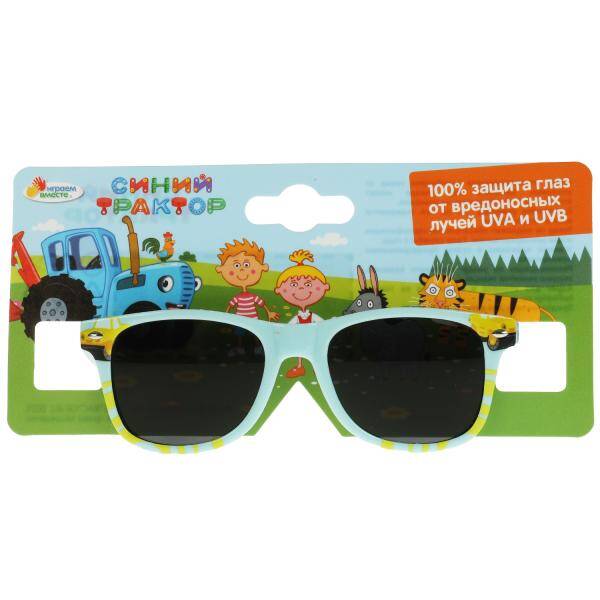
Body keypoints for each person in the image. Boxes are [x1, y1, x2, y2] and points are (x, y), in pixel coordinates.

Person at [275, 249, 330, 378]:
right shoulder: (298, 317)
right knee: (299, 351)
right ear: (279, 290)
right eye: (293, 284)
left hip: (311, 337)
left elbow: (321, 322)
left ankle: (317, 368)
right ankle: (300, 366)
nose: (301, 288)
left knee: (315, 350)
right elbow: (290, 325)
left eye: (308, 284)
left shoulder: (311, 316)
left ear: (324, 287)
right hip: (300, 337)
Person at [216, 239, 280, 321]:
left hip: (252, 320)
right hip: (239, 320)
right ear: (221, 269)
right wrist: (226, 316)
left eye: (246, 265)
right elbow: (230, 305)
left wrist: (269, 312)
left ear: (263, 267)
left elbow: (261, 304)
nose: (242, 269)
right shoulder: (238, 297)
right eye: (236, 265)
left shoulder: (252, 297)